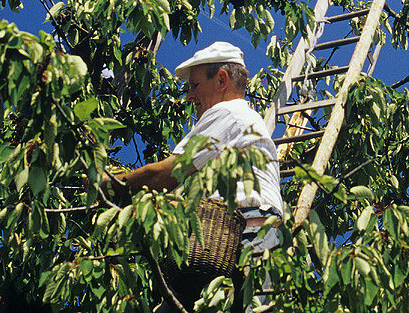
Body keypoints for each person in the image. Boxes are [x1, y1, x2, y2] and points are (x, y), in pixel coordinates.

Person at [106, 41, 283, 312]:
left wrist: (110, 184)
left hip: (251, 237)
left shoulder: (229, 112)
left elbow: (167, 174)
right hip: (237, 239)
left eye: (195, 85)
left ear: (221, 80)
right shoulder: (241, 119)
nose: (189, 96)